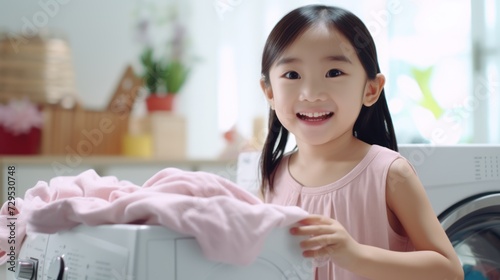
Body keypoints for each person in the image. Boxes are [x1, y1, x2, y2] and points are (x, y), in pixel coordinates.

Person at [258, 4, 463, 280]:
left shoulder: (390, 173)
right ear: (269, 92)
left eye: (334, 72)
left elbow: (449, 271)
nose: (311, 94)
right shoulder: (272, 175)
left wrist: (355, 256)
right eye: (292, 75)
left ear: (371, 89)